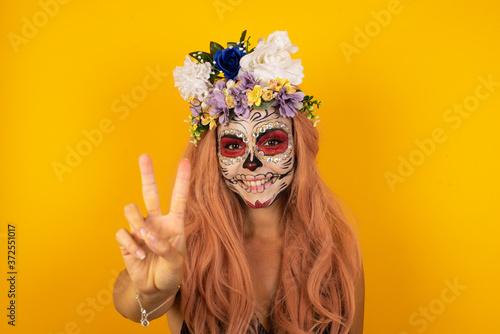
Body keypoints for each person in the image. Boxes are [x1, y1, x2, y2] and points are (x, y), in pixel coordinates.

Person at [113, 31, 364, 334]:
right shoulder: (184, 249)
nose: (252, 162)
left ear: (299, 146)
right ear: (213, 156)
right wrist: (151, 290)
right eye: (233, 145)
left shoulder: (335, 254)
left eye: (271, 141)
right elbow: (133, 305)